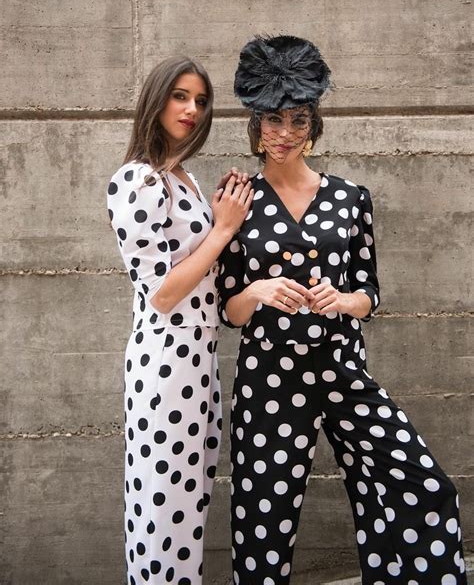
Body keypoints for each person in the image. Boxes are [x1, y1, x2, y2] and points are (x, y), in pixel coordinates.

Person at [217, 35, 467, 585]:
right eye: (273, 120)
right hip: (269, 375)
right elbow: (228, 310)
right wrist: (259, 291)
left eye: (298, 120)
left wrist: (344, 300)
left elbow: (369, 292)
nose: (284, 133)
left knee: (423, 487)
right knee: (262, 520)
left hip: (342, 367)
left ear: (314, 125)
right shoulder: (238, 199)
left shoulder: (350, 197)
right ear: (256, 124)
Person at [107, 56, 253, 585]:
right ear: (156, 99)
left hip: (198, 356)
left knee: (186, 510)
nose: (192, 109)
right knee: (161, 513)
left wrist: (220, 211)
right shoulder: (137, 180)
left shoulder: (182, 178)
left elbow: (198, 265)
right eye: (180, 96)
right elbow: (163, 293)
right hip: (167, 357)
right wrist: (223, 229)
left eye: (201, 100)